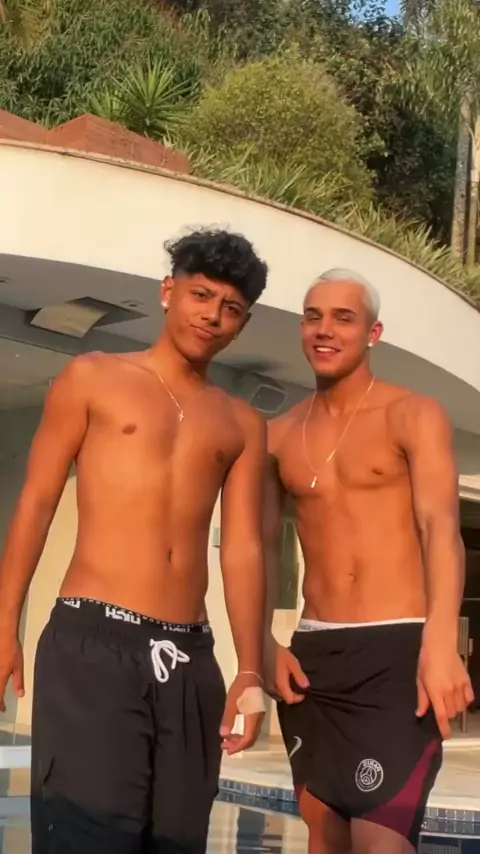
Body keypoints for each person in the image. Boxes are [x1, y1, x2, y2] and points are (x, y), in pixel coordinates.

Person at [0, 228, 269, 854]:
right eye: (201, 295)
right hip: (95, 645)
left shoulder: (241, 423)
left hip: (190, 657)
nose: (212, 316)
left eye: (230, 308)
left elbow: (244, 549)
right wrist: (5, 623)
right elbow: (36, 503)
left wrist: (250, 668)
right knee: (87, 836)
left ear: (243, 323)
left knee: (177, 840)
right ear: (168, 292)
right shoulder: (93, 377)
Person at [264, 269, 474, 854]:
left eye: (343, 318)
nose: (324, 330)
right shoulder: (279, 435)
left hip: (398, 653)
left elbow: (441, 531)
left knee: (383, 840)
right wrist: (260, 643)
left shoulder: (412, 414)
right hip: (315, 657)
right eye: (313, 317)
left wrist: (440, 642)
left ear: (373, 333)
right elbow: (253, 547)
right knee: (324, 836)